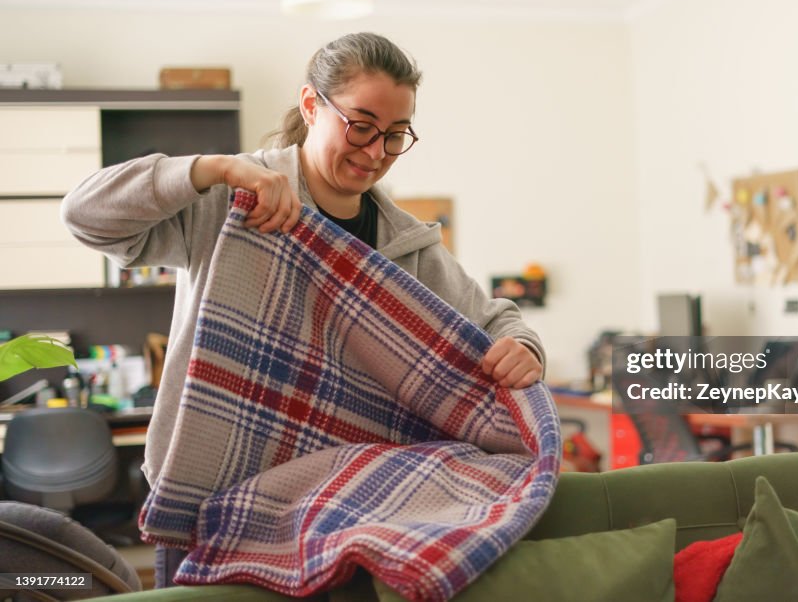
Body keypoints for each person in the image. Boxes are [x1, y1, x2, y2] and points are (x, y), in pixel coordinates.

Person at [60, 32, 544, 587]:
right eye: (360, 126)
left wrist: (523, 348)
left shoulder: (409, 245)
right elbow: (84, 215)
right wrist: (214, 169)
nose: (375, 152)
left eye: (394, 135)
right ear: (313, 106)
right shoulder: (232, 200)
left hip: (343, 513)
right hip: (218, 499)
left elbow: (496, 321)